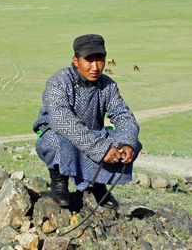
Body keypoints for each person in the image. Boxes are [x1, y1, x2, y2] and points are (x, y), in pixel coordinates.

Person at [33, 34, 142, 209]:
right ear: (76, 61)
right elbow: (62, 120)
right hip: (57, 132)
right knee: (58, 141)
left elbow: (123, 115)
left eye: (100, 60)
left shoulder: (108, 85)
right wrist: (101, 149)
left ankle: (98, 183)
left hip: (93, 134)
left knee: (131, 143)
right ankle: (59, 180)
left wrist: (127, 143)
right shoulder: (59, 81)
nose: (95, 67)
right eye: (88, 61)